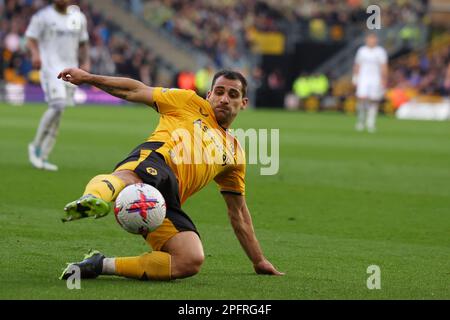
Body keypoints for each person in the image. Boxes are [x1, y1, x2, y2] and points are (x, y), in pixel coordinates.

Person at [58, 67, 284, 281]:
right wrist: (88, 78)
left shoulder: (234, 154)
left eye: (233, 94)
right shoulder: (188, 101)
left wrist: (259, 260)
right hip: (157, 159)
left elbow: (239, 213)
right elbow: (135, 90)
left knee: (189, 260)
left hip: (164, 202)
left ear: (243, 103)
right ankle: (93, 197)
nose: (224, 99)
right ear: (209, 94)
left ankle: (100, 264)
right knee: (131, 178)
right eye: (219, 92)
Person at [26, 0, 90, 171]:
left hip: (71, 69)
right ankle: (35, 146)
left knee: (60, 112)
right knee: (58, 105)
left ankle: (43, 155)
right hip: (50, 68)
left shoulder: (78, 17)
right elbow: (31, 38)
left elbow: (83, 42)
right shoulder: (43, 17)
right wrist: (35, 55)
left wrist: (86, 62)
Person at [353, 33, 388, 133]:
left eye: (373, 39)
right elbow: (357, 65)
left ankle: (371, 122)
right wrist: (355, 77)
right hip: (363, 79)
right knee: (362, 99)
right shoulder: (362, 51)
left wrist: (384, 80)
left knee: (373, 100)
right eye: (370, 39)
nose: (372, 41)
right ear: (366, 40)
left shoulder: (380, 51)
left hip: (375, 79)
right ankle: (360, 120)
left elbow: (384, 66)